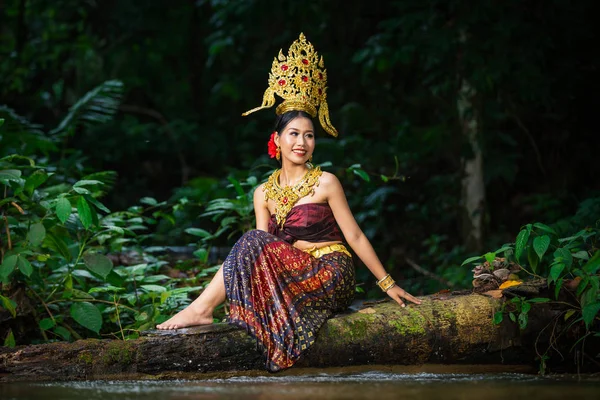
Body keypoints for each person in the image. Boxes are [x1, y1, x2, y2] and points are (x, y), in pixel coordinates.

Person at [156, 33, 421, 372]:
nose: (302, 141)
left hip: (330, 275)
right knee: (252, 242)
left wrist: (388, 283)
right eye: (294, 134)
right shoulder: (262, 193)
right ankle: (203, 309)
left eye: (309, 135)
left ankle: (201, 308)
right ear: (277, 140)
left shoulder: (326, 182)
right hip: (291, 275)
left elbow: (354, 236)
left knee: (251, 240)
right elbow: (261, 251)